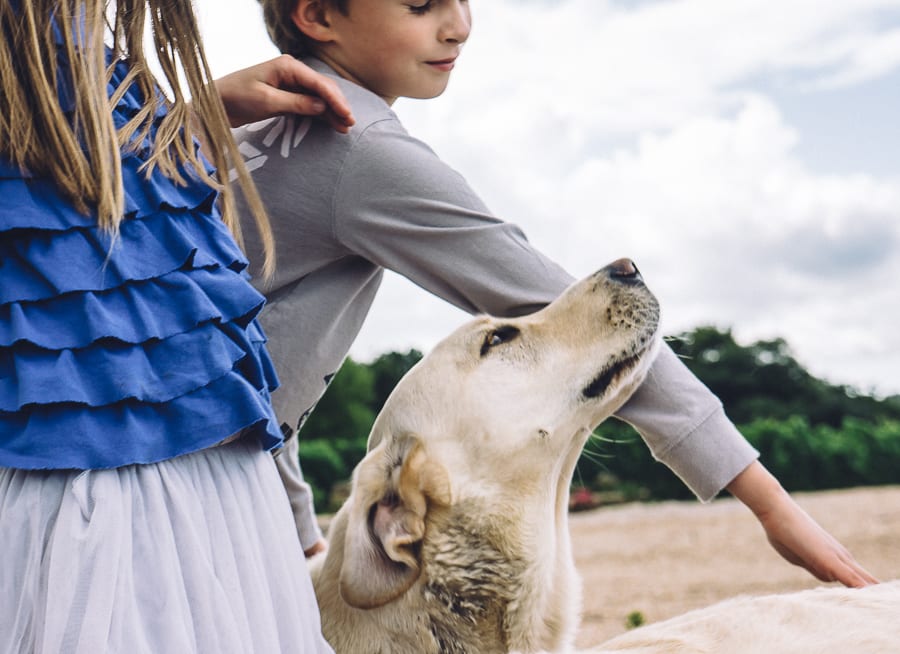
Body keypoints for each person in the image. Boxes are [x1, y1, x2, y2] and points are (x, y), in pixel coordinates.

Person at [238, 0, 877, 587]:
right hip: (186, 479)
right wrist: (772, 506)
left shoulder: (249, 129)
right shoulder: (361, 148)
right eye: (420, 4)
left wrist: (299, 538)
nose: (458, 24)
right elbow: (577, 323)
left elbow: (250, 353)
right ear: (319, 15)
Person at [0, 1, 353, 652]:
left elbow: (81, 191)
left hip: (218, 476)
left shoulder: (115, 67)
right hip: (54, 475)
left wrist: (185, 118)